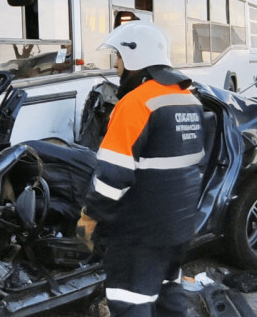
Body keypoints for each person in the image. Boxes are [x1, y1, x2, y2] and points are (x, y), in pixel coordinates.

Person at [76, 21, 205, 316]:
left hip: (139, 231)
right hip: (180, 226)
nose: (117, 66)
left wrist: (88, 217)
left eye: (119, 57)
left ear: (136, 58)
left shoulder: (135, 104)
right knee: (167, 293)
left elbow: (112, 177)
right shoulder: (190, 101)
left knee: (131, 300)